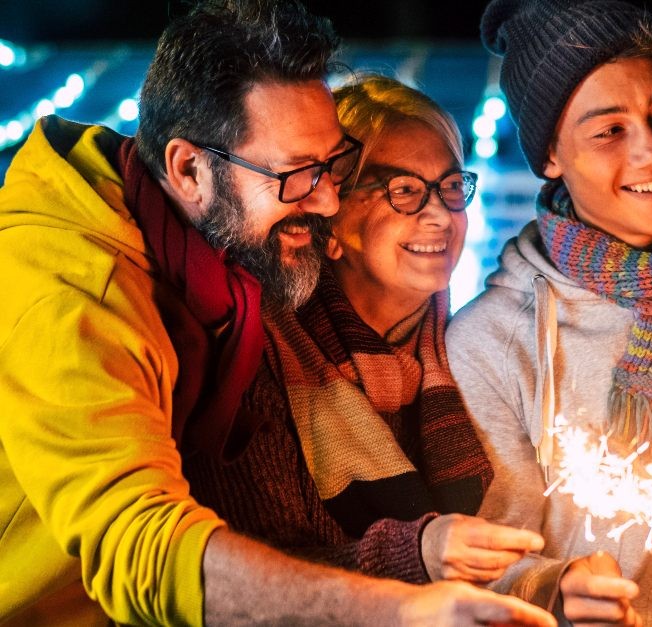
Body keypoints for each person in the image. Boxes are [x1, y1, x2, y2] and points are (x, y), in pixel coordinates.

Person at [0, 2, 554, 625]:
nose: (325, 202)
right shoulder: (77, 294)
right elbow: (146, 549)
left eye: (334, 166)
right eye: (295, 174)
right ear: (189, 169)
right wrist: (399, 610)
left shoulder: (216, 258)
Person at [447, 0, 652, 623]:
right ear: (550, 154)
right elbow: (476, 565)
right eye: (608, 131)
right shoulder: (494, 339)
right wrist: (556, 587)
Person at [184, 74, 545, 586]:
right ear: (330, 217)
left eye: (449, 187)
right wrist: (414, 554)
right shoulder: (258, 362)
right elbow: (247, 579)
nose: (440, 214)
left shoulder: (473, 350)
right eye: (403, 190)